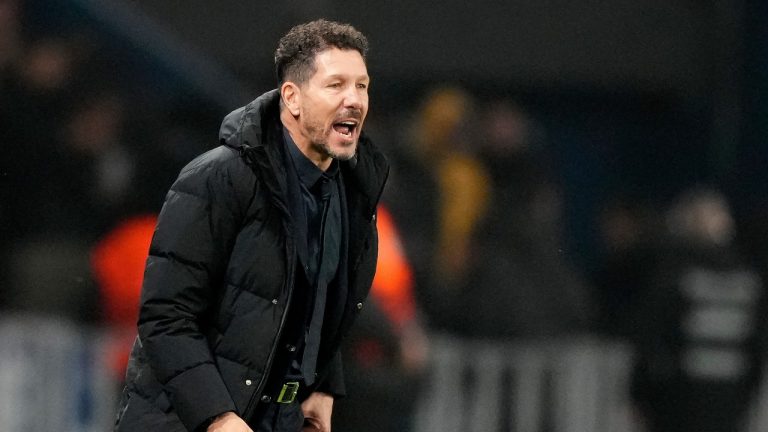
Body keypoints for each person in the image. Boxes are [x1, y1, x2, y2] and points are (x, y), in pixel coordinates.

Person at [114, 19, 388, 432]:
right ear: (292, 98)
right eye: (336, 85)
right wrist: (217, 417)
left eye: (362, 86)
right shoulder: (217, 178)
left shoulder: (351, 192)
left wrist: (322, 385)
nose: (354, 100)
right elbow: (166, 317)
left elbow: (316, 301)